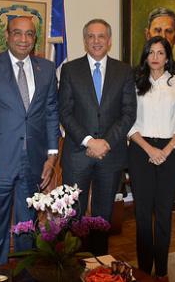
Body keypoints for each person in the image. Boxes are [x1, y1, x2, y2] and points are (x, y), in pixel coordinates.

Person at [0, 15, 60, 270]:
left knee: (27, 231)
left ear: (35, 38)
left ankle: (25, 277)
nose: (23, 39)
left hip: (33, 164)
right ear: (7, 36)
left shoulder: (47, 69)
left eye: (29, 34)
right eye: (17, 33)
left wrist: (52, 157)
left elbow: (52, 112)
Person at [59, 18, 137, 255]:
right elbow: (64, 111)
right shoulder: (70, 70)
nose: (96, 41)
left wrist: (106, 142)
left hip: (110, 156)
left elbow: (128, 112)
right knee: (73, 216)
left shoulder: (124, 71)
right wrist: (89, 141)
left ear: (109, 41)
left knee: (103, 218)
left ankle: (99, 265)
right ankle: (74, 266)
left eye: (101, 36)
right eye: (91, 36)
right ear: (84, 41)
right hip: (77, 155)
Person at [128, 36, 175, 280]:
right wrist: (149, 149)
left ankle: (162, 270)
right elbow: (128, 121)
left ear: (167, 57)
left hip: (171, 152)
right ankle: (144, 269)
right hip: (140, 150)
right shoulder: (134, 83)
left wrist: (165, 150)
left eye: (160, 53)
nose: (155, 57)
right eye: (151, 52)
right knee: (142, 213)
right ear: (145, 56)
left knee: (164, 212)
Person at [144, 7, 175, 80]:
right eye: (158, 30)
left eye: (168, 31)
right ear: (147, 35)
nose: (163, 36)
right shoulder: (135, 75)